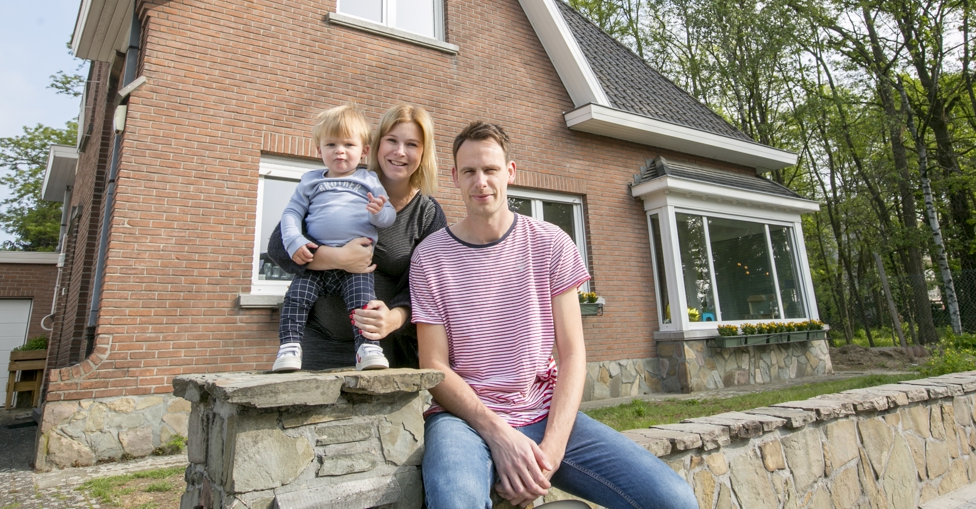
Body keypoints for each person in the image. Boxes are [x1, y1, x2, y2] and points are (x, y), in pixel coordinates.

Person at [410, 122, 697, 509]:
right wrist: (498, 433)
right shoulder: (430, 257)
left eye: (490, 169)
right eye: (469, 171)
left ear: (510, 172)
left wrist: (551, 452)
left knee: (674, 500)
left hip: (543, 412)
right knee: (454, 503)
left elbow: (573, 353)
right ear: (454, 177)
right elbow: (434, 365)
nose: (481, 181)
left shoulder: (551, 243)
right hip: (463, 420)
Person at [267, 104, 446, 371]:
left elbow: (430, 287)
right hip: (319, 344)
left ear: (423, 152)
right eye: (392, 140)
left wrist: (396, 317)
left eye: (412, 144)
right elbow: (278, 245)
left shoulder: (427, 214)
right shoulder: (338, 182)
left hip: (383, 350)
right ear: (376, 145)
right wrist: (336, 258)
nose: (400, 151)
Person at [272, 105, 397, 372]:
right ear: (319, 150)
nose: (339, 150)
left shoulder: (369, 179)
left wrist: (378, 213)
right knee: (295, 299)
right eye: (331, 144)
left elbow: (388, 216)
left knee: (363, 302)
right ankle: (289, 347)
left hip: (357, 267)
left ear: (364, 151)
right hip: (316, 259)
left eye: (348, 144)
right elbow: (291, 213)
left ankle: (368, 348)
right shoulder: (310, 181)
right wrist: (294, 241)